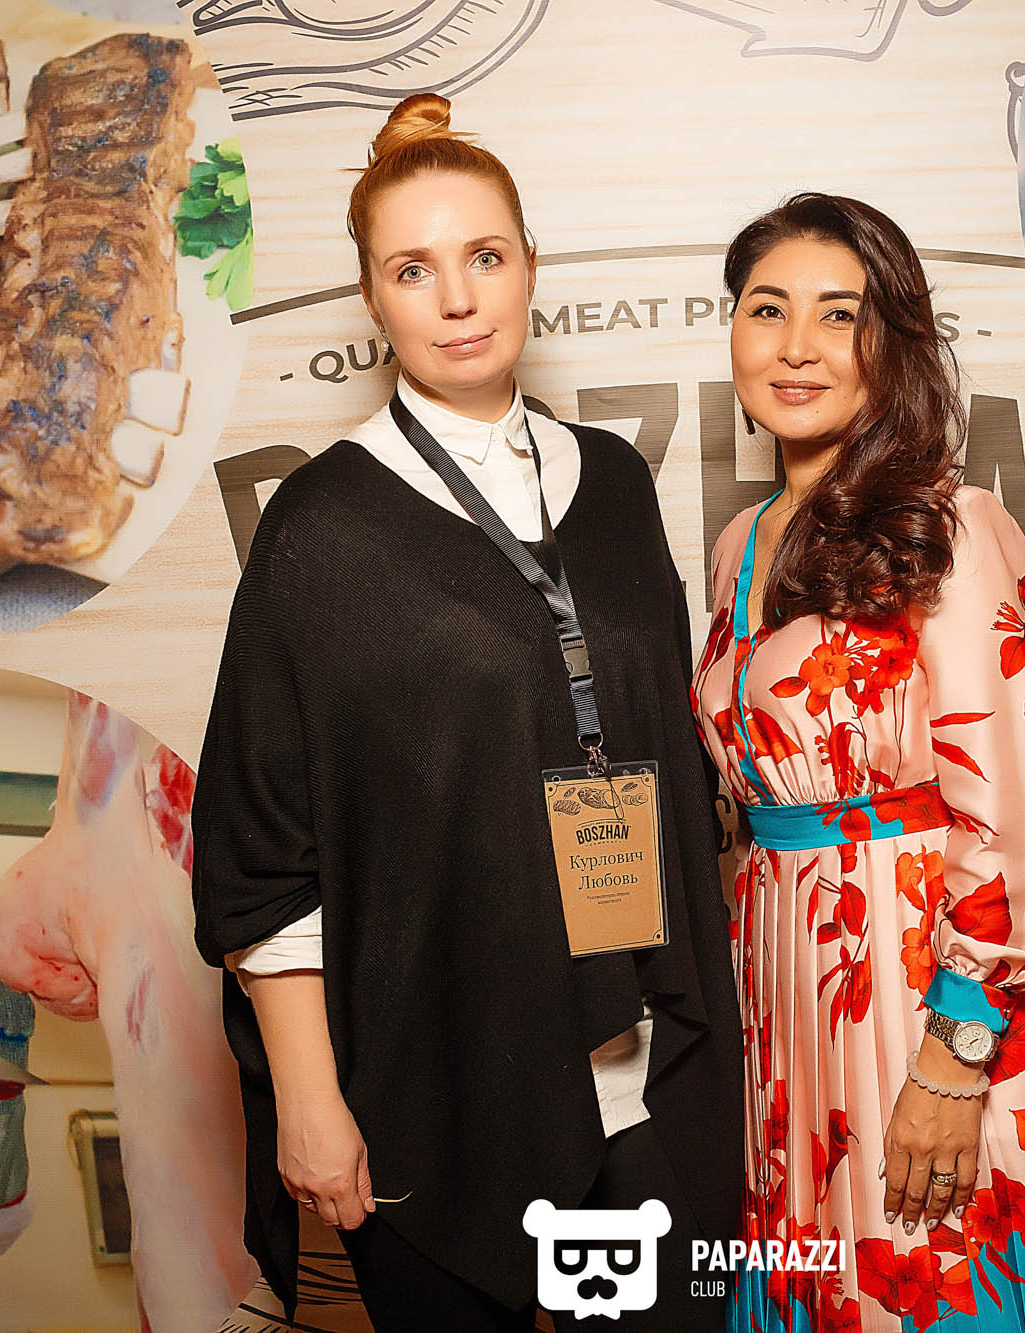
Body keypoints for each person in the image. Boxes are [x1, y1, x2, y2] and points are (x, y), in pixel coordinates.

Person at [191, 93, 742, 1333]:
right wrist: (308, 1101)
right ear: (371, 298)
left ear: (529, 265)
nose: (456, 299)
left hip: (644, 1066)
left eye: (483, 256)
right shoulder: (318, 531)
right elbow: (262, 858)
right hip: (437, 1094)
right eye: (412, 270)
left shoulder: (613, 483)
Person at [691, 194, 1025, 1332]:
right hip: (785, 1001)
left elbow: (1015, 814)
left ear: (895, 343)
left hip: (924, 1000)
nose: (797, 346)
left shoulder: (947, 524)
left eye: (840, 315)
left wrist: (956, 1056)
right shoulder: (737, 545)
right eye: (767, 309)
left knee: (929, 1278)